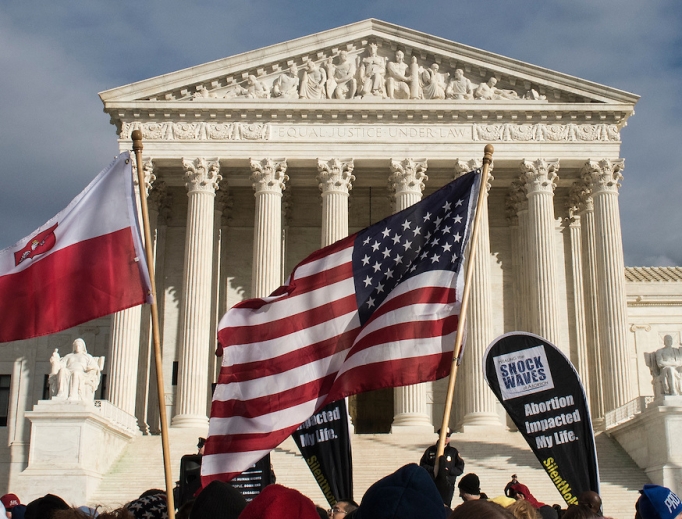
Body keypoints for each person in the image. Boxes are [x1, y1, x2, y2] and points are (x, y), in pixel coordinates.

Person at [420, 428, 465, 506]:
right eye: (445, 436)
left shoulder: (453, 452)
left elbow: (460, 468)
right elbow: (423, 465)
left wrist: (449, 471)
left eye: (448, 436)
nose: (446, 438)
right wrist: (433, 470)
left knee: (446, 506)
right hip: (433, 483)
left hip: (448, 485)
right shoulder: (431, 450)